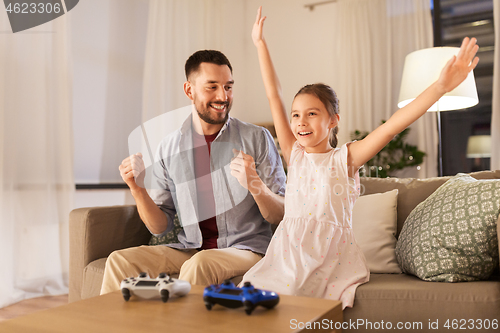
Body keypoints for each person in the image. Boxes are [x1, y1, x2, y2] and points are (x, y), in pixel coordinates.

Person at [241, 7, 479, 309]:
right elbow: (274, 95)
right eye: (296, 115)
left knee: (292, 302)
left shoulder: (346, 158)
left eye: (312, 114)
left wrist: (441, 87)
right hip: (287, 252)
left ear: (332, 120)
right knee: (250, 297)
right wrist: (260, 44)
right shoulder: (294, 154)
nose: (301, 122)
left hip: (327, 255)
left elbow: (394, 125)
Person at [100, 50, 287, 294]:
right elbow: (160, 227)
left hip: (245, 249)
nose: (223, 96)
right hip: (189, 247)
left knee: (199, 264)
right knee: (119, 261)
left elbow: (281, 214)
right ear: (189, 90)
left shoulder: (256, 138)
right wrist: (137, 188)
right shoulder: (169, 147)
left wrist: (255, 185)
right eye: (212, 87)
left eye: (228, 87)